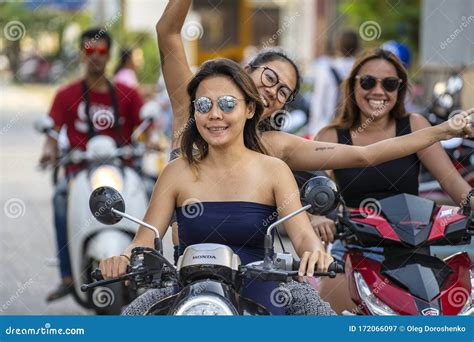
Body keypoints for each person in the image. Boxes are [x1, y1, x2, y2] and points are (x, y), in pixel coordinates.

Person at [156, 0, 472, 263]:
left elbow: (364, 155)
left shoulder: (274, 145)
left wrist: (442, 130)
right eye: (269, 78)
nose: (273, 92)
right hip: (188, 270)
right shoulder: (191, 104)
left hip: (250, 277)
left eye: (284, 92)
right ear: (248, 69)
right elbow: (167, 31)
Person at [100, 59, 336, 315]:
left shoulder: (274, 170)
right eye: (203, 105)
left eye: (227, 104)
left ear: (249, 109)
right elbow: (144, 241)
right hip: (187, 293)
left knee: (324, 322)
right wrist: (123, 258)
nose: (214, 114)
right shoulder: (175, 172)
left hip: (266, 292)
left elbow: (302, 236)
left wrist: (316, 253)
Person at [310, 48, 474, 314]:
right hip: (353, 246)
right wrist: (316, 217)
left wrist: (471, 203)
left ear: (400, 89)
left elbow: (453, 182)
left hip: (412, 247)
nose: (378, 91)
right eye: (367, 82)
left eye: (389, 84)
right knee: (328, 318)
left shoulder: (415, 125)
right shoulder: (330, 136)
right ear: (352, 85)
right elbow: (306, 189)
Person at [39, 28, 145, 302]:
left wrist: (153, 141)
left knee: (152, 189)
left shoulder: (128, 94)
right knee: (61, 197)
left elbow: (145, 130)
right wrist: (49, 151)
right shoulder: (66, 95)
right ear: (81, 55)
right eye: (89, 51)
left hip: (124, 170)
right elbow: (52, 132)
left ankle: (154, 268)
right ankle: (67, 276)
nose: (95, 57)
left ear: (109, 55)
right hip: (80, 173)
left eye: (101, 51)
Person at [308, 29, 360, 135]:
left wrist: (314, 131)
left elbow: (318, 103)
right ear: (358, 48)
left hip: (329, 130)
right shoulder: (362, 69)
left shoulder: (326, 70)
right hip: (356, 130)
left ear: (337, 46)